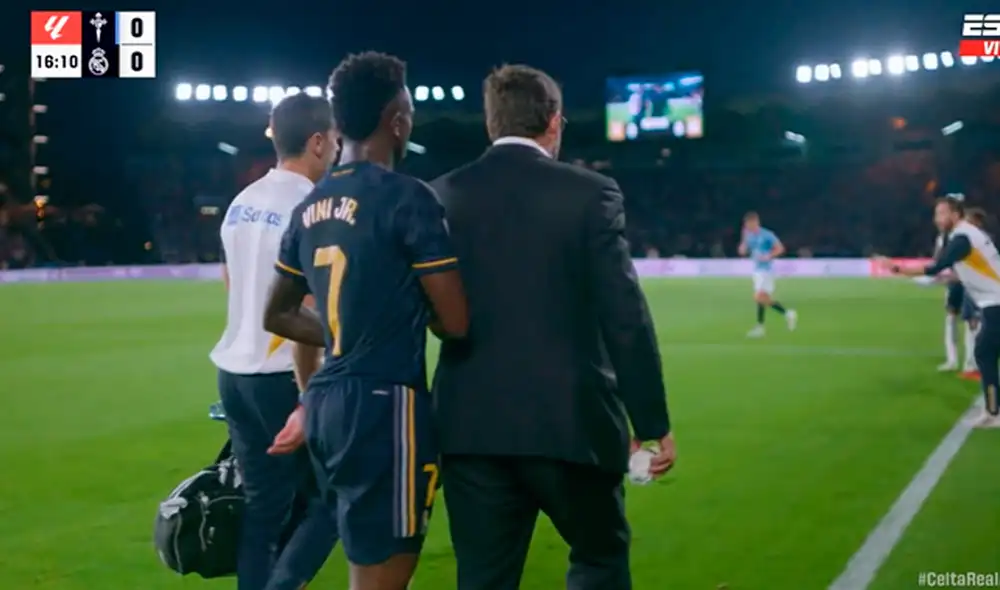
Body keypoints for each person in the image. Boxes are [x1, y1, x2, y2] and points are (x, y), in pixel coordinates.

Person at [430, 64, 674, 590]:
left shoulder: (440, 196)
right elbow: (624, 315)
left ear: (491, 124)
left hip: (470, 429)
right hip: (574, 425)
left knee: (482, 578)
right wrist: (651, 423)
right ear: (555, 122)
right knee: (599, 561)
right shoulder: (590, 194)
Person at [261, 51, 469, 590]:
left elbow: (278, 312)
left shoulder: (311, 206)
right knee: (382, 580)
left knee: (363, 566)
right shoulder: (408, 198)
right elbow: (455, 322)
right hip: (385, 409)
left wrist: (339, 333)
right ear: (396, 121)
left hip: (326, 405)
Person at [209, 93, 340, 590]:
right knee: (334, 498)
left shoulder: (243, 201)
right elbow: (306, 305)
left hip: (234, 372)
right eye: (333, 140)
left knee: (264, 508)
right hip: (282, 374)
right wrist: (311, 394)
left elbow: (230, 280)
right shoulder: (309, 206)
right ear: (317, 141)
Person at [879, 198, 1000, 428]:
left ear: (955, 214)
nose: (937, 219)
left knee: (984, 353)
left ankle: (994, 411)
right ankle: (993, 410)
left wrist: (897, 268)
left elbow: (937, 265)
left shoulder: (961, 237)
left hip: (996, 302)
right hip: (993, 302)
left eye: (941, 213)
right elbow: (954, 273)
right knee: (985, 353)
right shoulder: (968, 235)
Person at [738, 211, 797, 338]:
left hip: (766, 270)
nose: (748, 226)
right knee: (762, 298)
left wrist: (768, 256)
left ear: (756, 222)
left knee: (758, 297)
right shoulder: (748, 236)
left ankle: (783, 315)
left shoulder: (767, 235)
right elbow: (742, 251)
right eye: (747, 224)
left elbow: (780, 248)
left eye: (750, 223)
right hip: (757, 270)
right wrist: (743, 241)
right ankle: (781, 317)